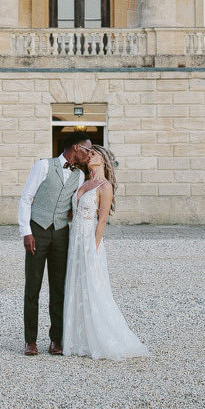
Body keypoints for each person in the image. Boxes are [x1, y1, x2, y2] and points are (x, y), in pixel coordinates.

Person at [62, 144, 149, 360]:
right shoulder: (83, 181)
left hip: (90, 240)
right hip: (76, 239)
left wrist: (94, 248)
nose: (89, 155)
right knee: (76, 285)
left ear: (103, 160)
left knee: (93, 285)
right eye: (89, 153)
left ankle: (102, 337)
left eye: (94, 153)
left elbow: (102, 221)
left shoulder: (104, 186)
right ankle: (78, 339)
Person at [16, 131, 93, 356]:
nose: (89, 154)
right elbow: (26, 198)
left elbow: (75, 206)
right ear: (76, 148)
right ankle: (30, 340)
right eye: (88, 149)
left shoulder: (79, 176)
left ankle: (56, 339)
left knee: (59, 288)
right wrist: (26, 232)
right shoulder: (43, 166)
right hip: (37, 231)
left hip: (61, 234)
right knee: (33, 287)